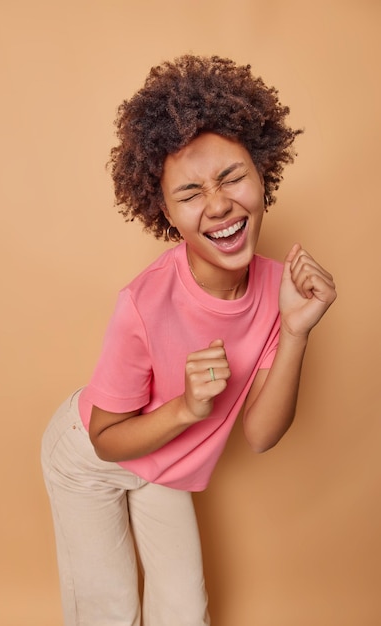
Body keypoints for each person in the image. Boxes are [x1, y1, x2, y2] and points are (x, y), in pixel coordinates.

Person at [41, 55, 336, 626]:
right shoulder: (143, 303)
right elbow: (107, 440)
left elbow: (259, 434)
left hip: (165, 463)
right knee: (110, 611)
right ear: (166, 213)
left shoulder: (280, 291)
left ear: (264, 175)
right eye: (191, 192)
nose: (220, 204)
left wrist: (296, 331)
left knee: (183, 614)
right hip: (92, 456)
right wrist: (186, 408)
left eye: (232, 177)